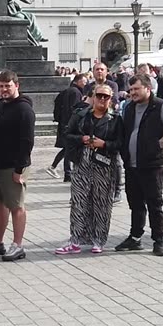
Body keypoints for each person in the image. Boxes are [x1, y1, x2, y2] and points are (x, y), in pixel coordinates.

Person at [114, 76, 163, 256]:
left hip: (152, 165)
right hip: (132, 165)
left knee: (154, 203)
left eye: (136, 89)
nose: (133, 92)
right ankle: (135, 238)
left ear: (147, 88)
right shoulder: (129, 108)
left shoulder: (160, 106)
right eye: (131, 89)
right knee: (135, 203)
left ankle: (159, 240)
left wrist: (157, 145)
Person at [56, 83, 121, 254]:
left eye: (106, 97)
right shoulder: (80, 115)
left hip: (104, 166)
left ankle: (99, 240)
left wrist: (104, 144)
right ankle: (76, 239)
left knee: (101, 204)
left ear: (111, 99)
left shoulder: (115, 118)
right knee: (78, 202)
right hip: (81, 163)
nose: (102, 99)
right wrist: (82, 139)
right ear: (93, 97)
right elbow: (67, 135)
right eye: (99, 95)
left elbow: (121, 143)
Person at [0, 71, 36, 261]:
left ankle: (18, 245)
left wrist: (19, 169)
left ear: (17, 85)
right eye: (1, 86)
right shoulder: (0, 105)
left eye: (8, 85)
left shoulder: (24, 110)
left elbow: (27, 142)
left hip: (13, 166)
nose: (4, 89)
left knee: (16, 206)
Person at [49, 73, 86, 181]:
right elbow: (75, 109)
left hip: (64, 123)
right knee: (69, 149)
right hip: (69, 124)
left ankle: (56, 168)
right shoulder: (75, 92)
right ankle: (67, 174)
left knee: (67, 148)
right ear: (78, 81)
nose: (85, 83)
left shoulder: (68, 90)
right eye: (84, 81)